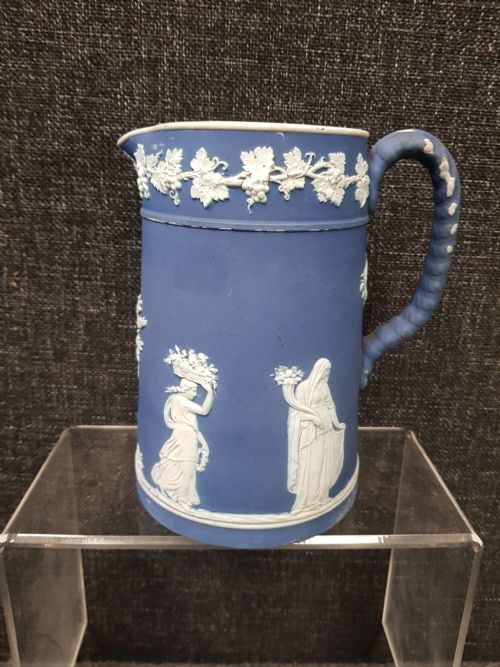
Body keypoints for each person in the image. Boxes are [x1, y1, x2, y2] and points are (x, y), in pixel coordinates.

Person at [285, 358, 345, 514]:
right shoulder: (303, 387)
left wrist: (337, 424)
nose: (327, 375)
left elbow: (330, 406)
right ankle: (308, 502)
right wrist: (313, 418)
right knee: (314, 467)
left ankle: (321, 498)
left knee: (324, 465)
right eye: (325, 371)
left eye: (328, 372)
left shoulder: (324, 386)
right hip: (311, 434)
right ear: (318, 371)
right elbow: (296, 413)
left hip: (326, 430)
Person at [152, 378, 214, 509]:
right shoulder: (182, 401)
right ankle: (182, 499)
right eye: (194, 391)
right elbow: (204, 410)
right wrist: (210, 393)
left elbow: (194, 428)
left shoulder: (175, 399)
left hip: (184, 435)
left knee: (184, 468)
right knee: (188, 469)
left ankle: (181, 497)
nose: (195, 394)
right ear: (185, 389)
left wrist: (203, 443)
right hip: (186, 438)